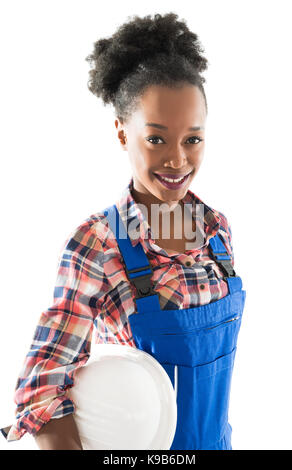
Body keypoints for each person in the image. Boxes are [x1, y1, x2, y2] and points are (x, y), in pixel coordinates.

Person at [1, 12, 246, 450]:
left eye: (192, 139)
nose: (177, 160)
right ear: (121, 134)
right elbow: (42, 390)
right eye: (156, 139)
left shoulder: (217, 232)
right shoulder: (97, 244)